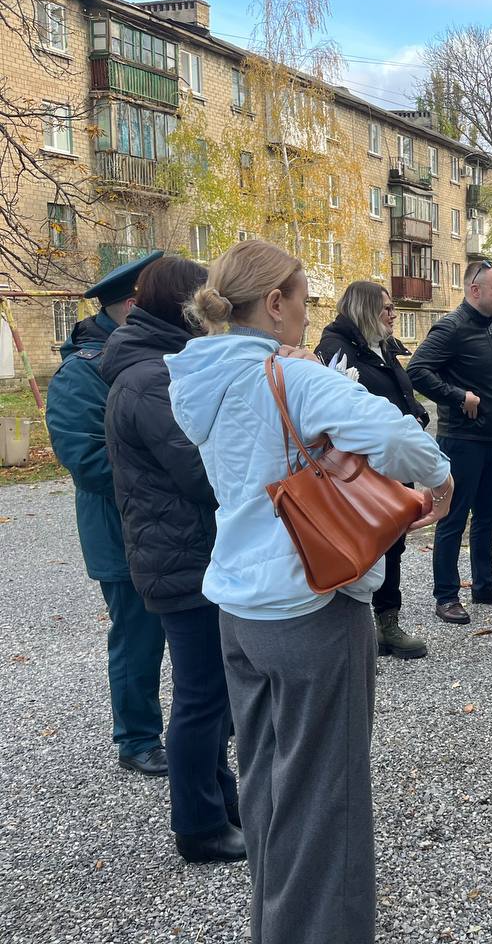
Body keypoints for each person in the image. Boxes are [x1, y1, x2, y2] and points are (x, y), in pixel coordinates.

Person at [166, 240, 454, 944]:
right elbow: (401, 438)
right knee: (328, 803)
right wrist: (439, 481)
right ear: (274, 303)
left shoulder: (196, 379)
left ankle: (276, 927)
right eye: (300, 299)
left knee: (266, 788)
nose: (306, 313)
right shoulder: (291, 378)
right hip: (311, 606)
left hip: (238, 607)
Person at [100, 255, 242, 864]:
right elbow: (200, 471)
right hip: (182, 557)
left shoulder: (157, 366)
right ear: (188, 307)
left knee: (210, 694)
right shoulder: (151, 378)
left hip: (184, 552)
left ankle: (220, 801)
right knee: (201, 697)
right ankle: (200, 827)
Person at [45, 251, 168, 777]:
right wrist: (173, 476)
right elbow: (88, 462)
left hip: (167, 527)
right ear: (133, 305)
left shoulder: (144, 357)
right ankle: (137, 737)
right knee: (138, 636)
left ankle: (205, 720)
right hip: (121, 532)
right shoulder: (81, 374)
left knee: (188, 630)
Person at [407, 260, 492, 626]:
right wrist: (459, 396)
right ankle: (446, 596)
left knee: (488, 516)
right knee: (452, 518)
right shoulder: (451, 327)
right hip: (461, 440)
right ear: (474, 291)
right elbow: (418, 371)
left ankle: (484, 585)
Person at [315, 282, 432, 660]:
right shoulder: (336, 347)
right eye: (385, 308)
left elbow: (400, 392)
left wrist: (416, 412)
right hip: (359, 468)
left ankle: (388, 623)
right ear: (364, 310)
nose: (393, 314)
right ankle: (356, 631)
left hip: (392, 461)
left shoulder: (383, 346)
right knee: (360, 544)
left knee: (393, 541)